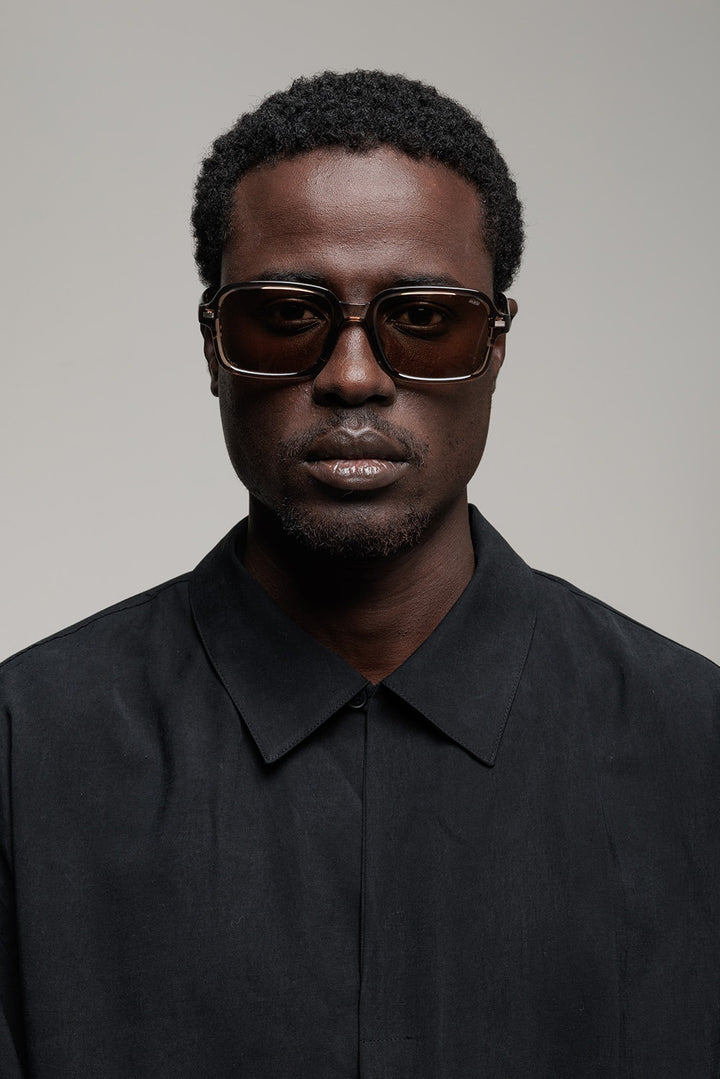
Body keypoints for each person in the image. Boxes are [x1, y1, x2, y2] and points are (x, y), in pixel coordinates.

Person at [1, 70, 718, 1079]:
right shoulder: (24, 756)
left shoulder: (698, 753)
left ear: (496, 346)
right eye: (283, 316)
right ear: (213, 345)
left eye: (424, 318)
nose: (351, 376)